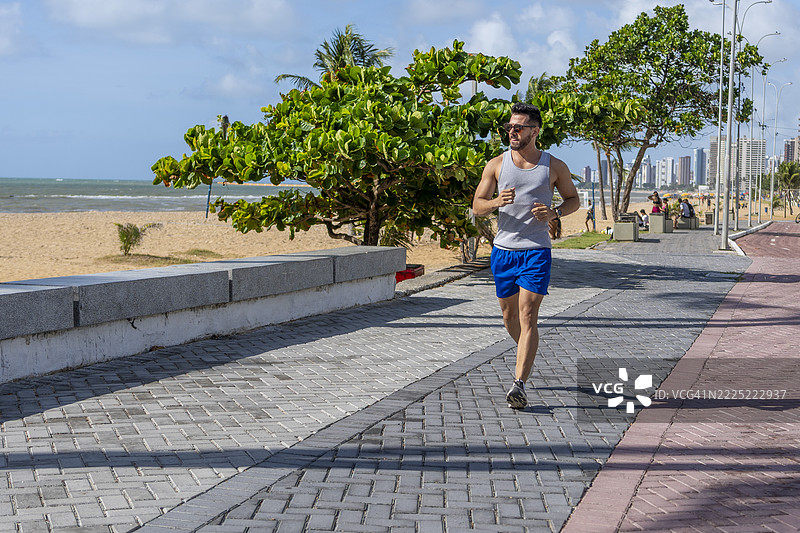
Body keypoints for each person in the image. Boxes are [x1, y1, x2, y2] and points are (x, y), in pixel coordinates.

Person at [472, 102, 580, 409]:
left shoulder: (553, 166)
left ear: (534, 131)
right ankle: (527, 351)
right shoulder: (496, 164)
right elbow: (476, 206)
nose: (511, 132)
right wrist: (495, 202)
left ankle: (518, 384)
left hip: (536, 252)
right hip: (503, 251)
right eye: (508, 127)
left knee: (528, 314)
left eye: (518, 127)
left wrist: (554, 212)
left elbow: (573, 200)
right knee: (509, 317)